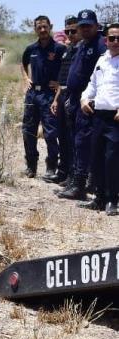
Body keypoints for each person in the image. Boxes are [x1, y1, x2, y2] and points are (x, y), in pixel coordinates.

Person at [59, 9, 107, 201]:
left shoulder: (101, 45)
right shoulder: (82, 44)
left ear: (96, 25)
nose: (84, 29)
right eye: (82, 26)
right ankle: (76, 179)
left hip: (89, 100)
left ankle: (81, 184)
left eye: (88, 25)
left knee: (83, 142)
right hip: (76, 97)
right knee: (75, 140)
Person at [79, 22, 119, 216]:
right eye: (112, 38)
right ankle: (99, 198)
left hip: (116, 118)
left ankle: (113, 200)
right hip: (98, 116)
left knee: (112, 160)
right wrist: (84, 98)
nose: (115, 41)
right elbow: (91, 84)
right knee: (96, 158)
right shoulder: (102, 60)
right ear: (106, 40)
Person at [21, 16, 67, 179]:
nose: (42, 30)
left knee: (50, 133)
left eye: (45, 27)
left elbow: (67, 69)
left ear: (50, 27)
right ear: (35, 29)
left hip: (50, 94)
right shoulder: (31, 49)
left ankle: (51, 166)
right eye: (39, 27)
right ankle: (31, 165)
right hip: (33, 94)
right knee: (28, 131)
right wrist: (26, 78)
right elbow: (23, 63)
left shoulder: (60, 49)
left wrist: (60, 84)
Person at [49, 16, 82, 184]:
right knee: (61, 135)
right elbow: (61, 80)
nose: (70, 34)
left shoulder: (82, 50)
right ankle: (63, 171)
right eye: (67, 31)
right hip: (62, 96)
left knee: (72, 138)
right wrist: (56, 100)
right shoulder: (67, 50)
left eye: (73, 31)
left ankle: (73, 175)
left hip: (75, 98)